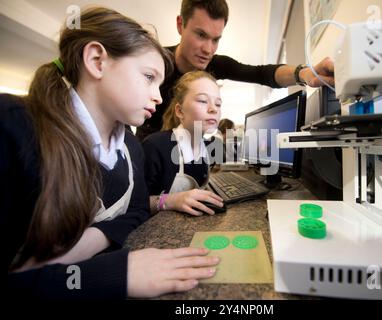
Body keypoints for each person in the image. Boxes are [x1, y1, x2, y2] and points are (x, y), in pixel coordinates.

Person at [1, 7, 219, 299]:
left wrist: (79, 247)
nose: (157, 95)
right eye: (148, 77)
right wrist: (113, 274)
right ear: (96, 60)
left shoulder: (130, 149)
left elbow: (138, 208)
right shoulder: (12, 126)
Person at [135, 0, 335, 140]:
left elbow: (261, 73)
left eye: (216, 39)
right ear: (181, 25)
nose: (208, 49)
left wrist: (305, 74)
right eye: (200, 35)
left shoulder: (217, 64)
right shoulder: (156, 62)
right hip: (147, 160)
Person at [142, 71, 224, 216]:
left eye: (218, 104)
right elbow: (132, 205)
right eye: (202, 101)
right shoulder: (156, 146)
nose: (213, 109)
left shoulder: (207, 146)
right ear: (180, 111)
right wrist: (169, 201)